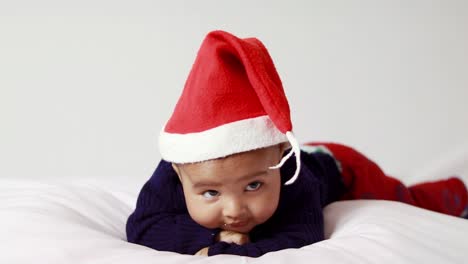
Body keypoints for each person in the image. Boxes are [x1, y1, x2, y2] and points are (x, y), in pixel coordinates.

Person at [126, 30, 468, 257]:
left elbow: (301, 236)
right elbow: (142, 227)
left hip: (339, 166)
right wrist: (213, 239)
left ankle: (457, 194)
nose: (233, 211)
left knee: (405, 198)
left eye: (254, 185)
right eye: (211, 194)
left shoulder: (296, 179)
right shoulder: (179, 169)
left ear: (281, 157)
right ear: (178, 173)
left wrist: (227, 252)